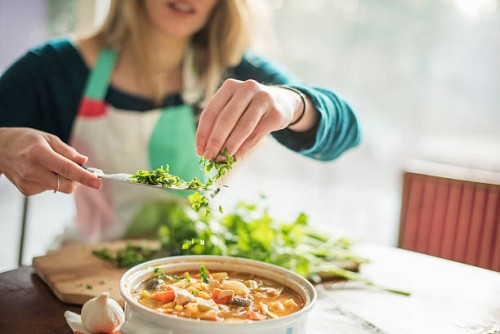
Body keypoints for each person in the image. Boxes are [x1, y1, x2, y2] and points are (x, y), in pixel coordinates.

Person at [0, 0, 360, 241]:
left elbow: (349, 130)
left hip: (198, 278)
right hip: (85, 274)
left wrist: (293, 103)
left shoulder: (235, 69)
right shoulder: (58, 69)